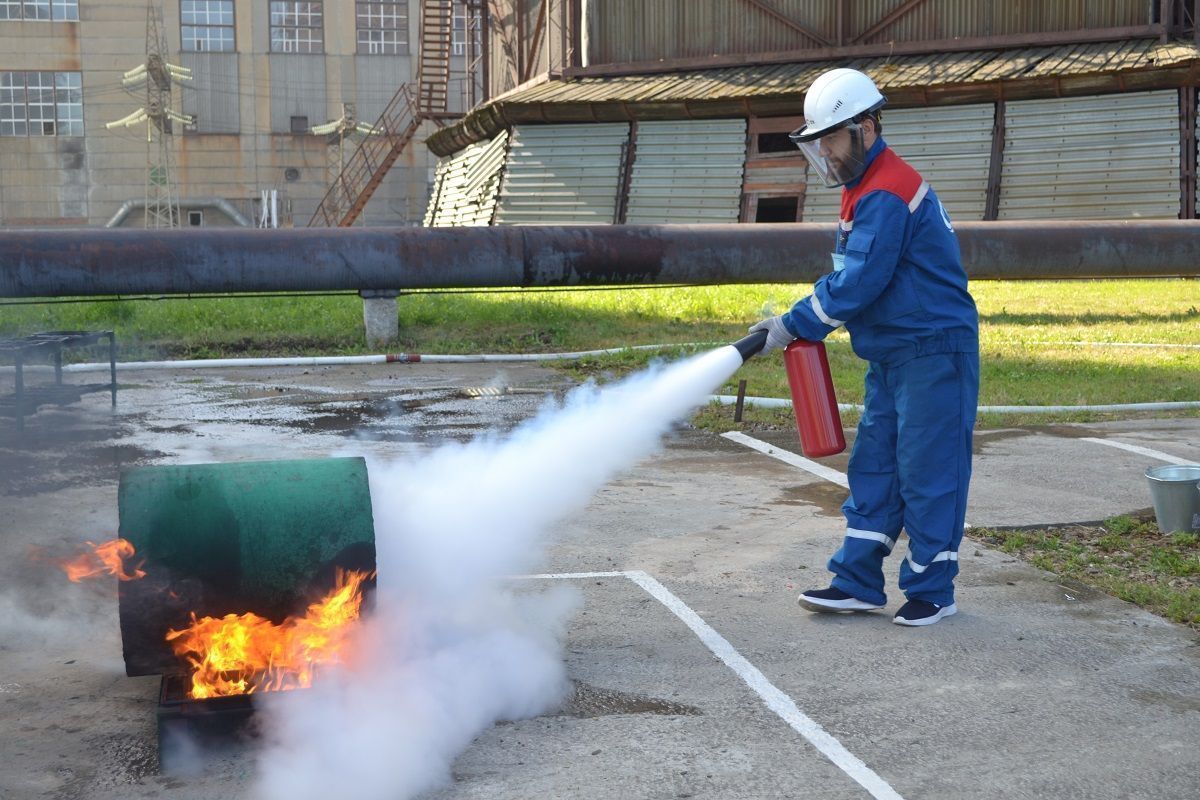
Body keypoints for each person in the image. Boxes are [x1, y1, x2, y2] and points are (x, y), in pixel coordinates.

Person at [749, 67, 979, 627]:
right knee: (876, 467)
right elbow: (857, 278)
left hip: (933, 351)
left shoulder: (887, 191)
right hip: (894, 354)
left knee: (928, 472)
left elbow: (859, 282)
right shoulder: (863, 190)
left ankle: (933, 589)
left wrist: (794, 322)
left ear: (866, 127)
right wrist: (799, 319)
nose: (824, 152)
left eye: (830, 137)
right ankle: (856, 582)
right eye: (818, 141)